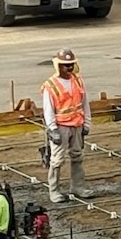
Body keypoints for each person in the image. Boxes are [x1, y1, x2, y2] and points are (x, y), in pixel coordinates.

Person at [43, 47, 94, 203]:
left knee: (77, 156)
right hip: (61, 127)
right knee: (57, 160)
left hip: (77, 125)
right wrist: (53, 129)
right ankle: (54, 190)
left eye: (71, 64)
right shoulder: (51, 85)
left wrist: (87, 123)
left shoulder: (77, 80)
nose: (70, 67)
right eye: (66, 65)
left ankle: (78, 186)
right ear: (59, 66)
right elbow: (48, 109)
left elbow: (84, 103)